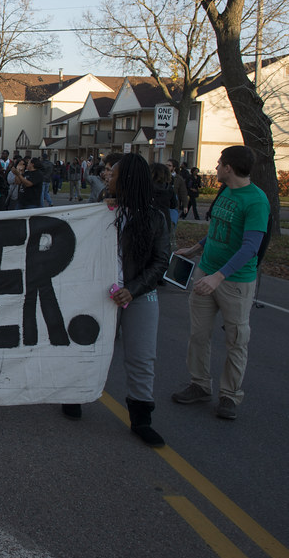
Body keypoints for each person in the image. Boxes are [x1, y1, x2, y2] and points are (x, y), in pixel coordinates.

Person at [62, 154, 169, 447]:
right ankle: (74, 396)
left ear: (129, 181)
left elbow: (161, 261)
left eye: (114, 174)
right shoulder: (101, 212)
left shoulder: (155, 218)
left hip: (139, 296)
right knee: (85, 346)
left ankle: (141, 418)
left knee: (141, 357)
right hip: (98, 294)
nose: (108, 177)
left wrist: (133, 289)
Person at [171, 146, 270, 421]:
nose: (215, 167)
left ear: (229, 168)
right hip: (207, 273)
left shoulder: (256, 201)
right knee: (198, 334)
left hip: (234, 283)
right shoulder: (225, 191)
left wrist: (219, 276)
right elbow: (218, 230)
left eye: (219, 163)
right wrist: (195, 249)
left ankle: (230, 395)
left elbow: (250, 246)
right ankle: (199, 385)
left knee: (236, 340)